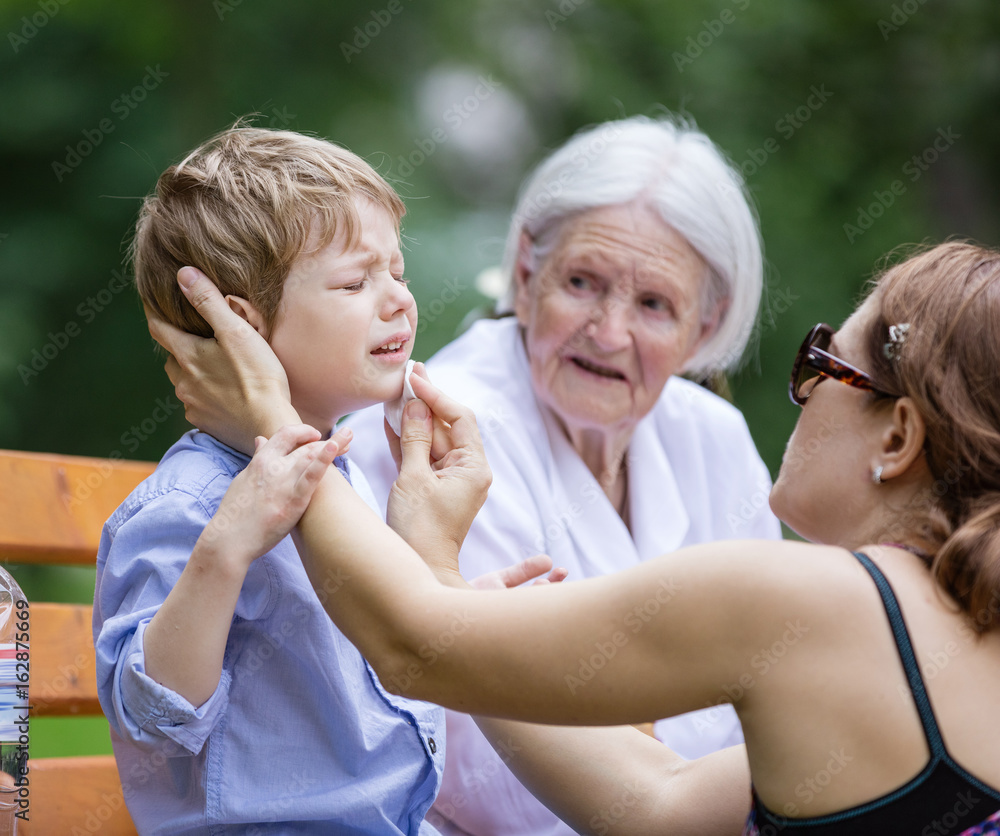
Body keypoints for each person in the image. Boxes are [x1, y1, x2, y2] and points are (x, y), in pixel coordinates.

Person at [165, 241, 1000, 834]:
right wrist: (442, 575)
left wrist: (272, 417)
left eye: (825, 364)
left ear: (896, 438)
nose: (804, 392)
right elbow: (654, 807)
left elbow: (408, 645)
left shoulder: (815, 601)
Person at [159, 114, 783, 836]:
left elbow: (767, 685)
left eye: (652, 305)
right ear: (525, 268)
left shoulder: (714, 437)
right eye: (582, 282)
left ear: (707, 326)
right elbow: (494, 782)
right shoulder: (441, 424)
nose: (609, 334)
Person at [92, 125, 556, 835]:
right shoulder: (189, 506)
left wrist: (452, 603)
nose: (398, 298)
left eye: (396, 271)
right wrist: (225, 550)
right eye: (354, 281)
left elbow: (370, 634)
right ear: (241, 326)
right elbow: (151, 716)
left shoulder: (338, 476)